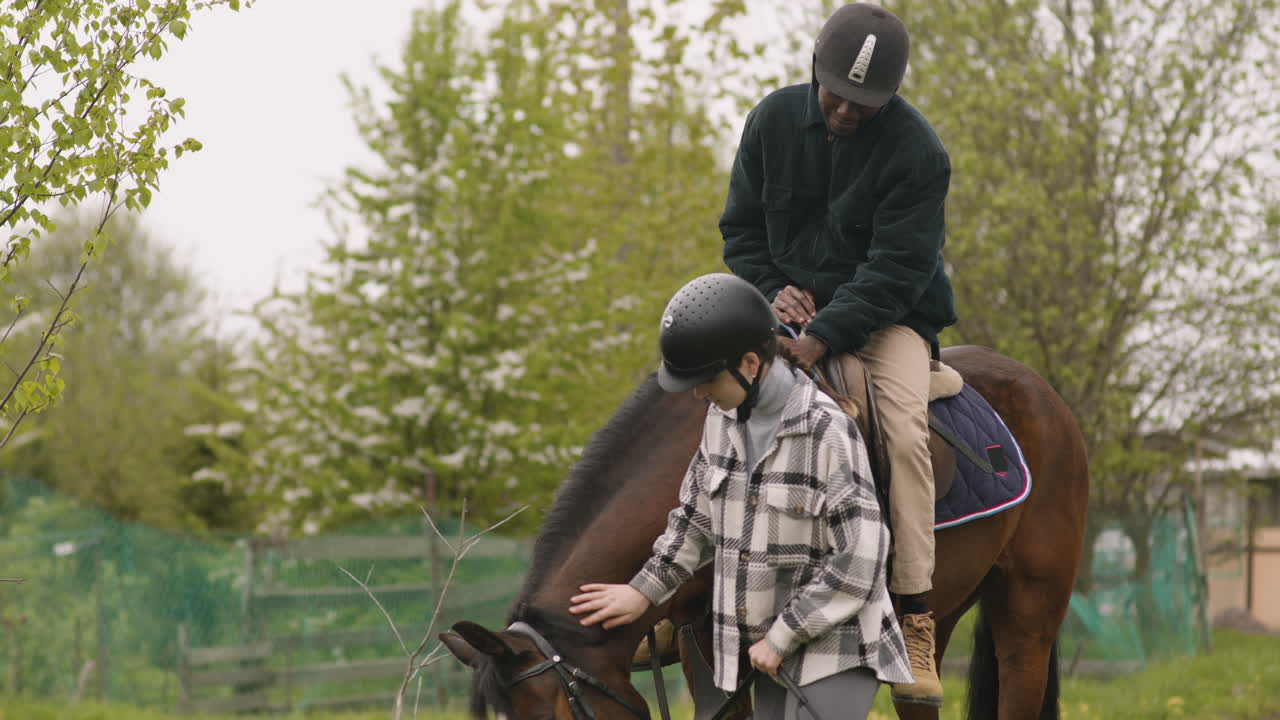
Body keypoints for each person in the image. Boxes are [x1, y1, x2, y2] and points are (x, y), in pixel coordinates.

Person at [719, 2, 954, 705]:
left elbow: (896, 270)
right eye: (836, 96)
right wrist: (769, 291)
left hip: (888, 319)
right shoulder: (769, 121)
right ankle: (691, 587)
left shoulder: (920, 154)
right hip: (782, 313)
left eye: (865, 104)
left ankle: (915, 615)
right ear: (814, 71)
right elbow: (741, 230)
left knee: (906, 429)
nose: (847, 111)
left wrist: (823, 333)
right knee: (714, 405)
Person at [568, 274, 913, 720]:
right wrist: (642, 592)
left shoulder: (827, 431)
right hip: (765, 650)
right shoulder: (722, 420)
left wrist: (783, 635)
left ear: (750, 364)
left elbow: (863, 559)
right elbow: (695, 520)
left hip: (837, 643)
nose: (697, 393)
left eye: (707, 378)